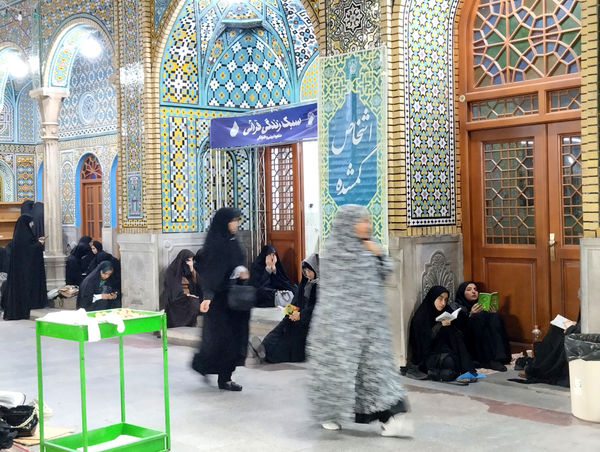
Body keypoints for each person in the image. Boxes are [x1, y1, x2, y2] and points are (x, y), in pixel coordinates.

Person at [307, 205, 410, 437]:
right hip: (341, 327)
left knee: (376, 372)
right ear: (348, 224)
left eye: (368, 221)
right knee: (338, 375)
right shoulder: (336, 252)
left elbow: (384, 274)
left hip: (371, 326)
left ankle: (389, 417)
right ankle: (329, 413)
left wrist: (379, 254)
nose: (367, 226)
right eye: (362, 221)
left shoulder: (369, 247)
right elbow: (335, 293)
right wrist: (344, 323)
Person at [191, 207, 250, 391]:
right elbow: (210, 273)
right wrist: (208, 297)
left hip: (234, 302)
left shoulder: (232, 241)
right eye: (233, 220)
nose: (236, 224)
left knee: (233, 340)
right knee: (221, 341)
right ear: (224, 222)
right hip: (219, 302)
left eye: (237, 220)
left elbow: (236, 262)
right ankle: (211, 370)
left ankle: (224, 376)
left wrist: (241, 271)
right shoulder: (215, 244)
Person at [251, 254, 319, 363]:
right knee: (282, 326)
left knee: (288, 338)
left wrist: (301, 315)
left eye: (309, 271)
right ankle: (263, 347)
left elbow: (316, 308)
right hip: (297, 315)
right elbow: (296, 300)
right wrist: (289, 312)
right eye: (305, 271)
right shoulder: (305, 282)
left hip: (307, 321)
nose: (307, 273)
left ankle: (268, 354)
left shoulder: (320, 287)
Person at [408, 286, 478, 382]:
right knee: (449, 362)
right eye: (440, 299)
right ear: (433, 298)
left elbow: (460, 330)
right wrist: (439, 326)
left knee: (453, 333)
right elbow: (421, 345)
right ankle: (466, 370)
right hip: (427, 356)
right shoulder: (421, 317)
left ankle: (467, 371)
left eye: (445, 299)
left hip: (446, 350)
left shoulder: (446, 310)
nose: (443, 303)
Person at [451, 281, 511, 371]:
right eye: (469, 290)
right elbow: (457, 327)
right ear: (462, 293)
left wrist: (491, 313)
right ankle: (488, 360)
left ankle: (501, 356)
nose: (473, 292)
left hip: (483, 338)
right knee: (477, 318)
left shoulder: (481, 304)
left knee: (495, 317)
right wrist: (470, 315)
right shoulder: (456, 306)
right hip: (467, 339)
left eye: (475, 289)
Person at [512, 312, 581, 387]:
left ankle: (543, 370)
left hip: (582, 337)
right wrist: (574, 324)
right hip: (578, 330)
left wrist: (571, 328)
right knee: (555, 329)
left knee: (558, 335)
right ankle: (539, 366)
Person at [1, 214, 47, 320]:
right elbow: (29, 252)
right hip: (25, 272)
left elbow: (28, 247)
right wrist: (39, 244)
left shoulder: (20, 236)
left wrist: (37, 242)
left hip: (21, 271)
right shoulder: (23, 237)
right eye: (30, 222)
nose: (32, 224)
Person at [161, 249, 202, 328]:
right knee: (194, 303)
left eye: (192, 260)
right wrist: (187, 295)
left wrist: (192, 270)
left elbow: (198, 284)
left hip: (188, 296)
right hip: (177, 299)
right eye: (188, 260)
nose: (190, 263)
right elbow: (174, 291)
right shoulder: (172, 272)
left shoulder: (188, 271)